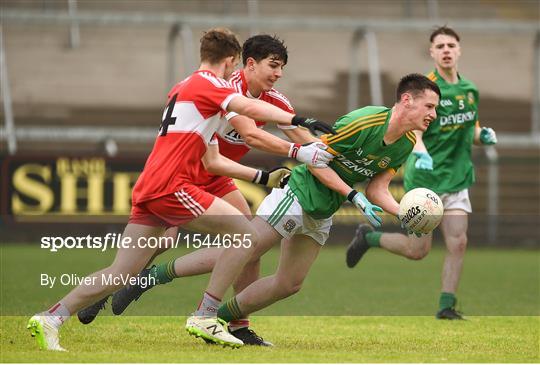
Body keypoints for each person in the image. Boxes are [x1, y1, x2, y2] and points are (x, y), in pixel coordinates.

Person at [27, 28, 335, 351]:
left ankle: (51, 317)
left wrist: (265, 173)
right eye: (273, 65)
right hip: (175, 183)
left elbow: (214, 159)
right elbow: (250, 121)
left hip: (153, 183)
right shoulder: (214, 84)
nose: (278, 73)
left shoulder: (182, 86)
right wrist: (298, 130)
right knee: (247, 236)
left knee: (121, 271)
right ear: (234, 61)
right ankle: (205, 315)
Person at [206, 73, 440, 343]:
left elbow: (377, 189)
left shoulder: (407, 142)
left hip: (323, 208)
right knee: (248, 249)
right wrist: (353, 195)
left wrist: (402, 213)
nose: (433, 114)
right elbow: (316, 160)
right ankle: (164, 280)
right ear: (407, 100)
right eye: (430, 106)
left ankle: (220, 318)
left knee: (289, 284)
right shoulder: (363, 122)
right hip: (299, 194)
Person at [345, 26, 497, 320]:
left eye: (451, 45)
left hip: (457, 176)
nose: (446, 50)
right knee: (418, 251)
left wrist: (484, 135)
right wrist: (421, 151)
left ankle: (446, 306)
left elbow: (472, 130)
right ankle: (369, 238)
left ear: (459, 50)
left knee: (459, 241)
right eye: (440, 46)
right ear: (432, 52)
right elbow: (412, 126)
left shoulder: (470, 90)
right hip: (426, 180)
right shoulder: (426, 88)